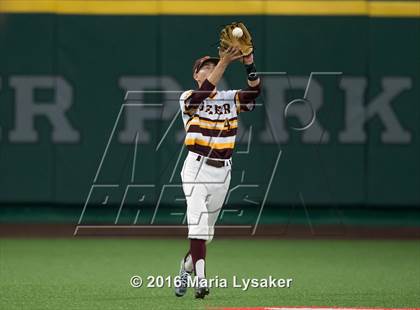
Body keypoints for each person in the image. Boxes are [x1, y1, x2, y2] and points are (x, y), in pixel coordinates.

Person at [175, 47, 262, 299]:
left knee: (207, 234)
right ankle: (201, 282)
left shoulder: (229, 98)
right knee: (198, 226)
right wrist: (224, 61)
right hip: (195, 168)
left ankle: (185, 267)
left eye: (214, 66)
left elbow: (255, 91)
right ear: (195, 75)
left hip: (222, 173)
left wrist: (248, 63)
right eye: (206, 67)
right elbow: (203, 93)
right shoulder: (188, 97)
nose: (212, 69)